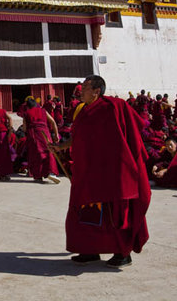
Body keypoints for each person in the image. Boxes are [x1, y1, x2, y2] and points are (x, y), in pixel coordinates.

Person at [53, 75, 150, 268]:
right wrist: (60, 147)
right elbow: (78, 137)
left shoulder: (114, 107)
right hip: (89, 171)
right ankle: (90, 250)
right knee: (86, 211)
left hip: (111, 171)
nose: (81, 91)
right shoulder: (84, 111)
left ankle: (123, 253)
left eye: (86, 87)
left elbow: (131, 133)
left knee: (115, 213)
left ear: (97, 91)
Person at [22, 97, 60, 184]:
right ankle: (51, 172)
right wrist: (56, 134)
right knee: (48, 151)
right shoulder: (43, 111)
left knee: (36, 154)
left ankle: (38, 175)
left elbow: (24, 128)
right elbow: (53, 122)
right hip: (44, 133)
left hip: (33, 135)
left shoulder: (27, 113)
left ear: (28, 107)